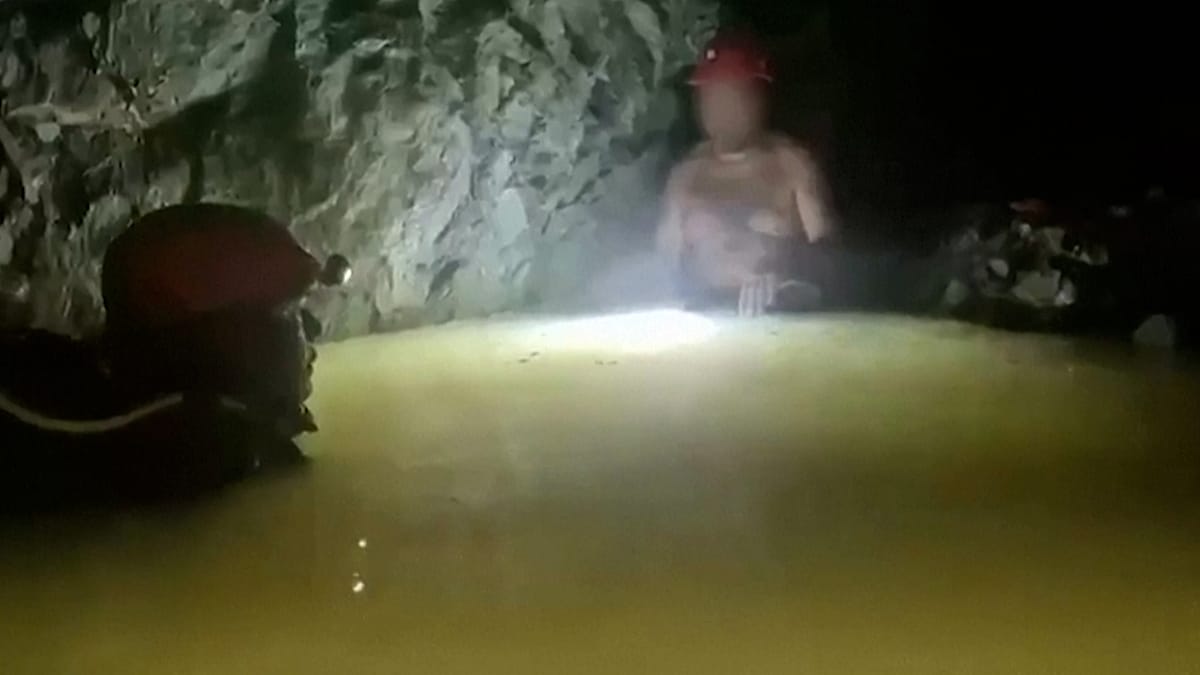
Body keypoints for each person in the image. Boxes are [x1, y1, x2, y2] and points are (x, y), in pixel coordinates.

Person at [656, 32, 836, 316]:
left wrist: (792, 284)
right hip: (705, 313)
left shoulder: (791, 165)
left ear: (757, 99)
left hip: (779, 315)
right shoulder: (685, 176)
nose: (721, 108)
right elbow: (663, 263)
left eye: (732, 94)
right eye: (711, 96)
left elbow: (829, 256)